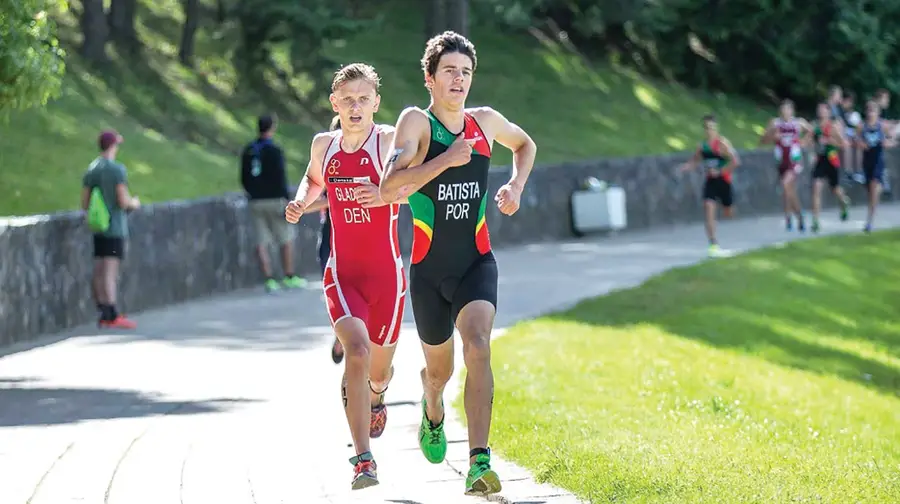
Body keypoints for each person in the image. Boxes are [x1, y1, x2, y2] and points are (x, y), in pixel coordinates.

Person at [378, 31, 538, 497]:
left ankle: (478, 463)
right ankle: (431, 406)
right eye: (449, 70)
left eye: (466, 72)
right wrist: (446, 160)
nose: (459, 79)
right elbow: (390, 189)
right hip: (429, 273)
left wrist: (516, 187)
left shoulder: (485, 122)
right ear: (429, 78)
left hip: (475, 262)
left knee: (480, 346)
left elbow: (525, 145)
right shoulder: (416, 125)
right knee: (440, 373)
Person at [285, 63, 405, 490]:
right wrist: (301, 201)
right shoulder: (324, 144)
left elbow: (412, 183)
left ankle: (376, 395)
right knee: (355, 350)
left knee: (379, 370)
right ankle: (363, 459)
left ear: (376, 102)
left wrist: (386, 193)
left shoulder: (388, 140)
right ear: (334, 104)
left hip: (388, 278)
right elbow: (314, 178)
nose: (356, 107)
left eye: (363, 99)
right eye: (347, 100)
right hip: (343, 273)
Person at [81, 130, 140, 329]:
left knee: (99, 269)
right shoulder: (117, 170)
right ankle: (112, 314)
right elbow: (122, 201)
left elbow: (85, 202)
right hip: (114, 227)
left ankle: (102, 310)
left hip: (98, 226)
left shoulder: (92, 169)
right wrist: (134, 203)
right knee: (110, 270)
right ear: (113, 146)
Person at [240, 114, 306, 293]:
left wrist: (251, 192)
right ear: (272, 128)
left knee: (261, 240)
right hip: (275, 199)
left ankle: (269, 279)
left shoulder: (249, 150)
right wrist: (286, 198)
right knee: (285, 237)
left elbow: (244, 177)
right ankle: (289, 275)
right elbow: (280, 176)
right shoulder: (274, 150)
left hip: (256, 201)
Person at [677, 114, 740, 257]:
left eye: (711, 127)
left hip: (724, 181)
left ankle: (727, 226)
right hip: (710, 182)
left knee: (728, 213)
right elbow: (695, 161)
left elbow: (735, 161)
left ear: (716, 128)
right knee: (708, 208)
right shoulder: (702, 147)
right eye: (706, 128)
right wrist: (686, 167)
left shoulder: (722, 144)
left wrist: (720, 171)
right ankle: (713, 243)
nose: (709, 130)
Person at [759, 99, 813, 232]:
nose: (785, 112)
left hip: (794, 161)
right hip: (781, 161)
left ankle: (795, 216)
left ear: (792, 111)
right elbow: (762, 141)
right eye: (783, 110)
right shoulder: (775, 123)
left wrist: (804, 142)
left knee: (785, 184)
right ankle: (794, 216)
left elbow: (812, 132)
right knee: (788, 190)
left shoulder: (798, 123)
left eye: (788, 109)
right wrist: (773, 136)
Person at [810, 102, 851, 232]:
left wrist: (828, 141)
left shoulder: (833, 126)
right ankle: (815, 221)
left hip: (832, 160)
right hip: (820, 161)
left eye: (824, 110)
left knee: (835, 190)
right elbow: (809, 140)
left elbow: (843, 143)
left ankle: (844, 202)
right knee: (816, 188)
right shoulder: (815, 126)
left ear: (828, 112)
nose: (821, 112)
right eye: (819, 110)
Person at [856, 100, 896, 232]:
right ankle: (879, 190)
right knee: (870, 190)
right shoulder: (862, 126)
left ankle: (869, 221)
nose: (871, 113)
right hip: (866, 161)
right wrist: (860, 143)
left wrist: (888, 143)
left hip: (878, 160)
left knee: (873, 186)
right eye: (869, 110)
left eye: (873, 110)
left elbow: (893, 140)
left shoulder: (882, 125)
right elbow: (855, 140)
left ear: (878, 112)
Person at [840, 92, 864, 183]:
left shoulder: (855, 114)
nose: (847, 103)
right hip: (842, 139)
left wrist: (855, 137)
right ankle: (848, 172)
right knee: (847, 145)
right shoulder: (839, 113)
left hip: (852, 138)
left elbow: (859, 128)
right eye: (846, 101)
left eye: (849, 101)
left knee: (858, 145)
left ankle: (858, 171)